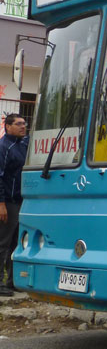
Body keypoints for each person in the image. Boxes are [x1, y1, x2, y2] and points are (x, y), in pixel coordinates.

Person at [0, 113, 28, 296]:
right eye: (18, 124)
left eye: (24, 123)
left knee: (17, 244)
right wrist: (1, 204)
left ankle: (12, 281)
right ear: (8, 126)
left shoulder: (23, 144)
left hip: (21, 201)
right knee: (2, 243)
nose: (23, 126)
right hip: (7, 203)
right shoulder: (4, 147)